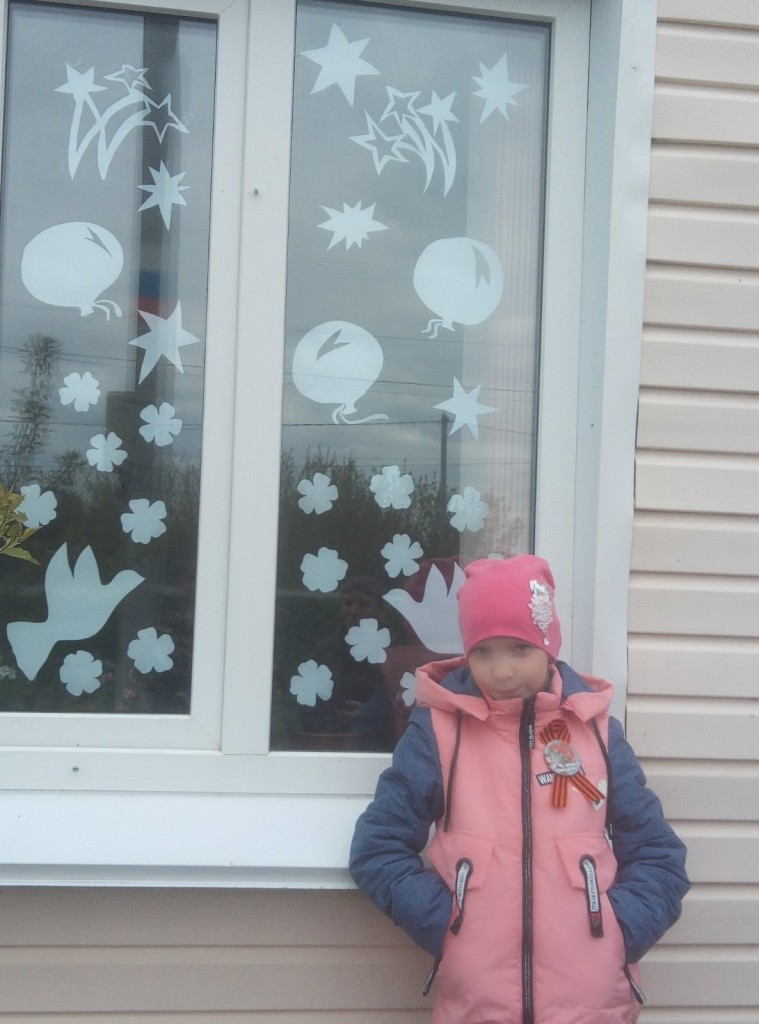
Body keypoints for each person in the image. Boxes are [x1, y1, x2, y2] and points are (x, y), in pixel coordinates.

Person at [350, 555, 690, 1024]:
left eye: (519, 649)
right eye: (483, 652)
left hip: (593, 1005)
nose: (502, 671)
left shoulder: (597, 733)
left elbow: (659, 855)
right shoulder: (438, 733)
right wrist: (445, 925)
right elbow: (378, 847)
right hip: (478, 1007)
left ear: (549, 648)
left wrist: (621, 930)